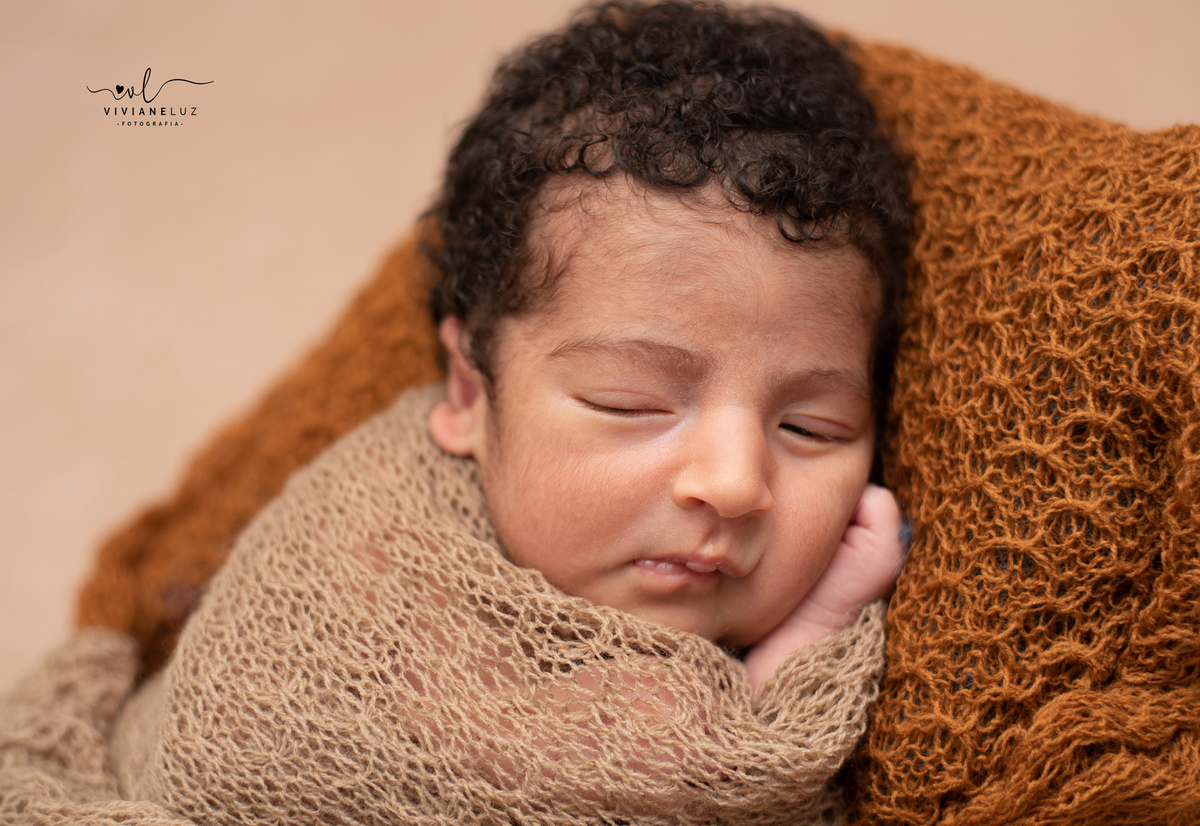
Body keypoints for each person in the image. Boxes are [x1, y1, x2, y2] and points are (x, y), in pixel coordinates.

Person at [107, 2, 913, 824]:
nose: (736, 483)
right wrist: (801, 645)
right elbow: (671, 772)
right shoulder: (375, 550)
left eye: (811, 428)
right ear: (469, 395)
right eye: (629, 403)